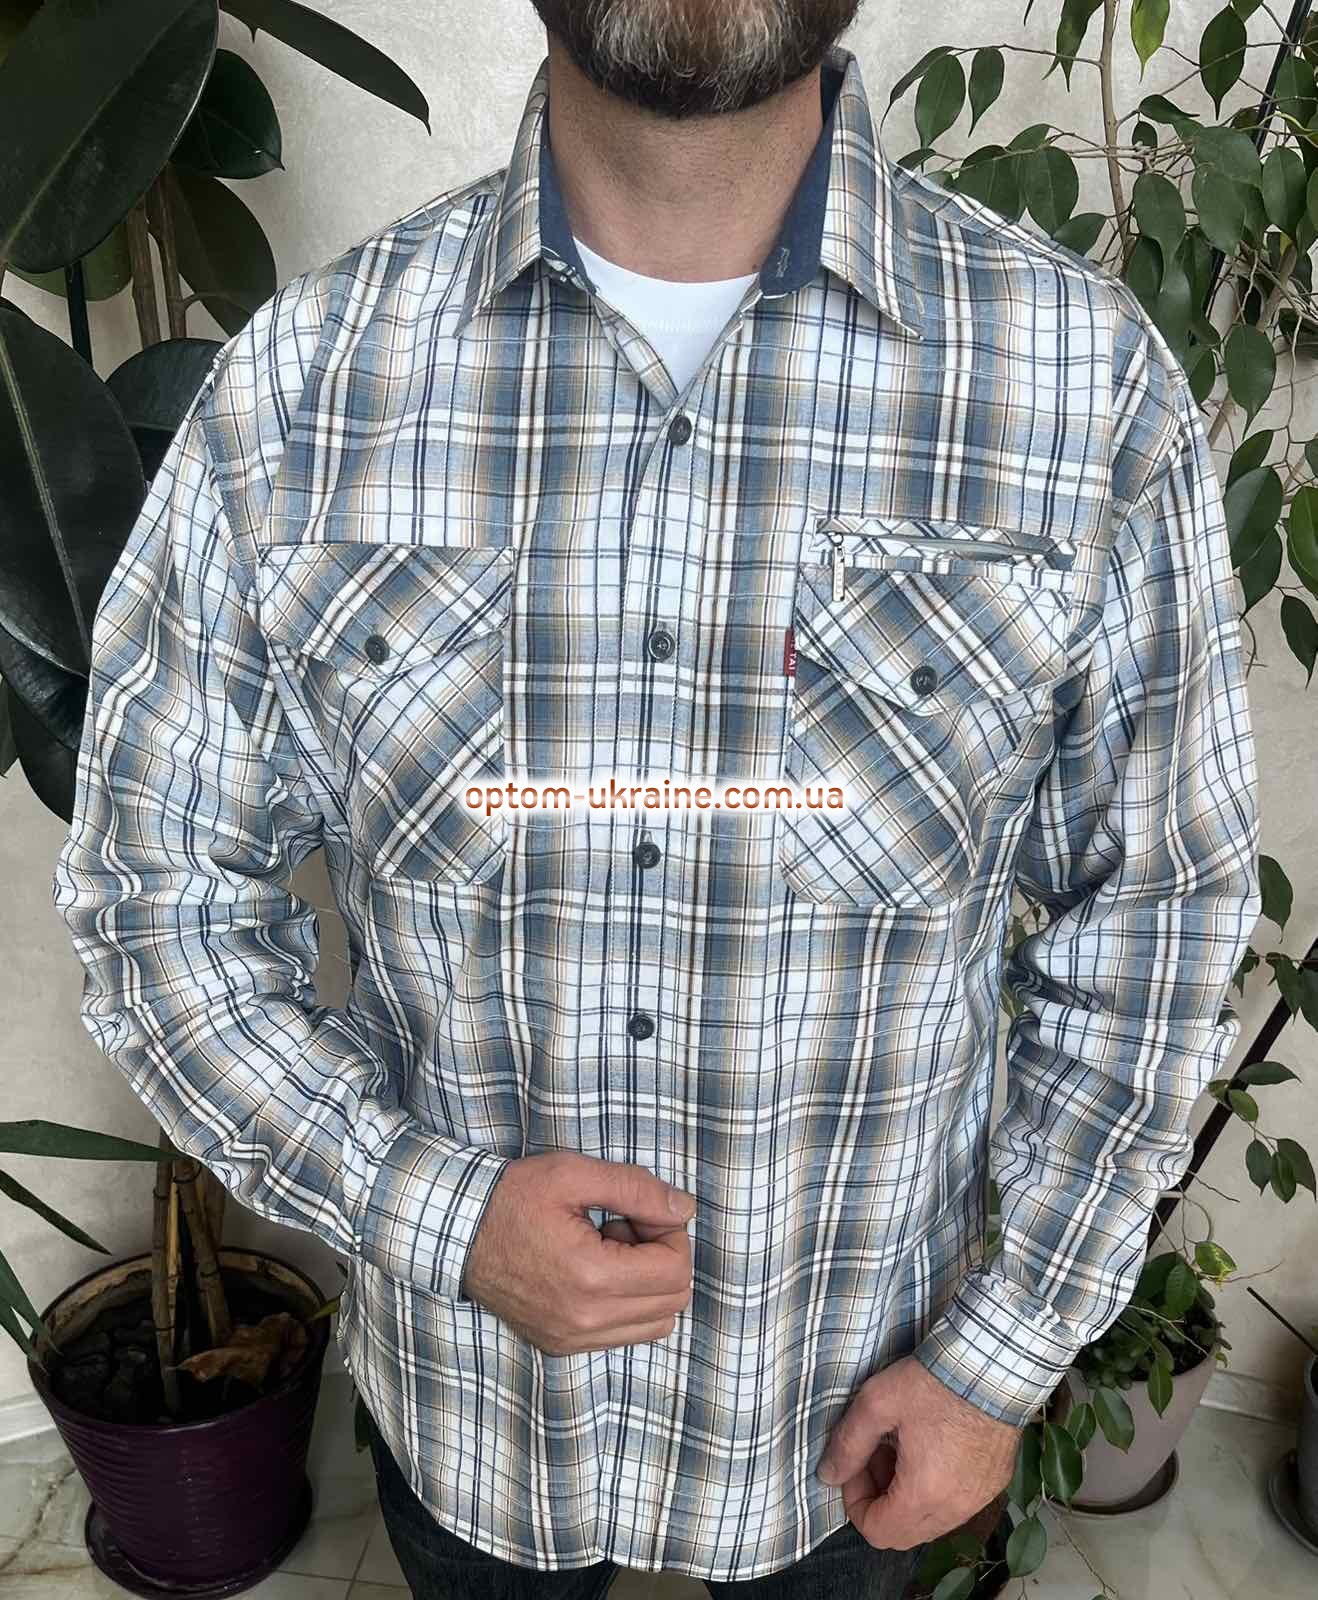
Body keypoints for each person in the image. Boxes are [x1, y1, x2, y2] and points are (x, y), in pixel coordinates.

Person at [50, 1, 1263, 1596]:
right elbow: (158, 906)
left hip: (853, 1403)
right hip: (476, 1412)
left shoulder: (1077, 386)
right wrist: (433, 1214)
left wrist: (998, 1356)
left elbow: (1155, 915)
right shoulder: (306, 386)